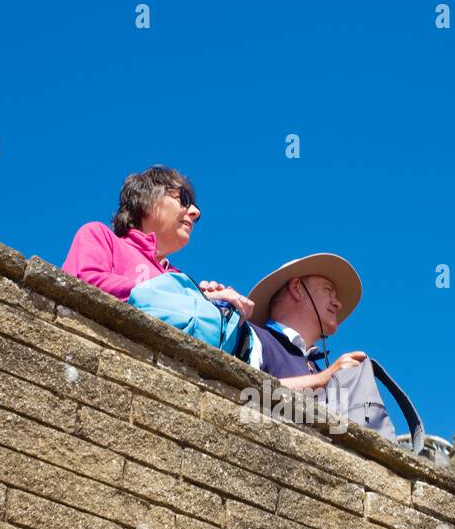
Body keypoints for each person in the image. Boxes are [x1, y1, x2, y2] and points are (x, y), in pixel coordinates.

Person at [61, 165, 252, 318]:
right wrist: (181, 298)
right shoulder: (100, 236)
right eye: (183, 199)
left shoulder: (180, 279)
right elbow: (83, 284)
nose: (195, 212)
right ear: (145, 200)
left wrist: (214, 304)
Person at [244, 254, 366, 390]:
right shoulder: (253, 338)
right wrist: (323, 378)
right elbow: (245, 389)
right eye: (328, 290)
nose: (338, 304)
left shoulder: (321, 370)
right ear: (296, 288)